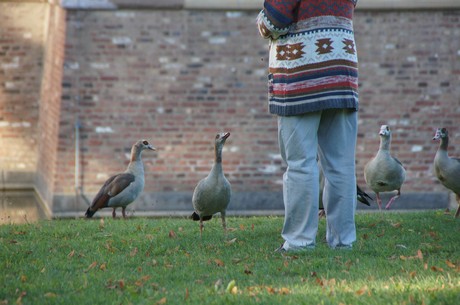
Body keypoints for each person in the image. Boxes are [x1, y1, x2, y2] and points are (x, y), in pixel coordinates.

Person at [257, 0, 359, 251]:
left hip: (302, 75)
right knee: (341, 165)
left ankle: (300, 241)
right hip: (342, 71)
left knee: (301, 164)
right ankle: (343, 241)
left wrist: (260, 22)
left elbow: (275, 19)